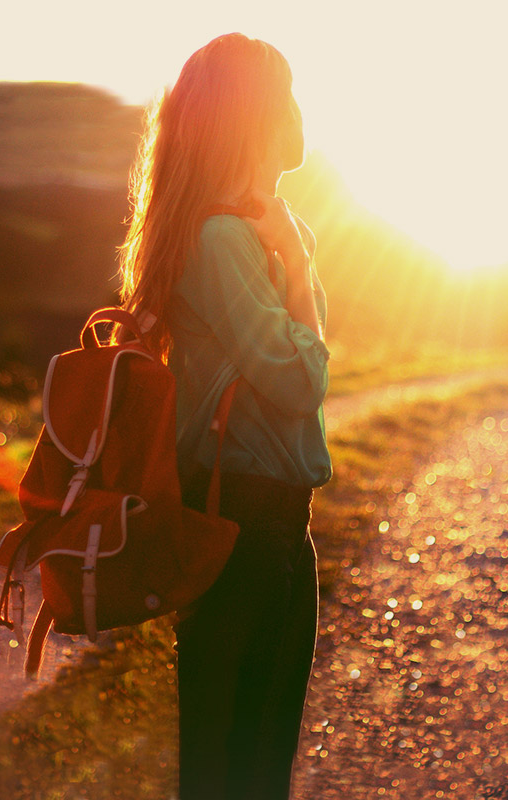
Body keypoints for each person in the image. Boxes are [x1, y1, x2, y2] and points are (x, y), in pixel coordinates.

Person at [114, 32, 331, 800]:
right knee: (241, 771)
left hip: (267, 528)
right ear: (254, 116)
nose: (300, 110)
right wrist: (298, 265)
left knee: (237, 762)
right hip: (245, 531)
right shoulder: (224, 239)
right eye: (286, 93)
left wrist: (291, 248)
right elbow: (301, 380)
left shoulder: (251, 230)